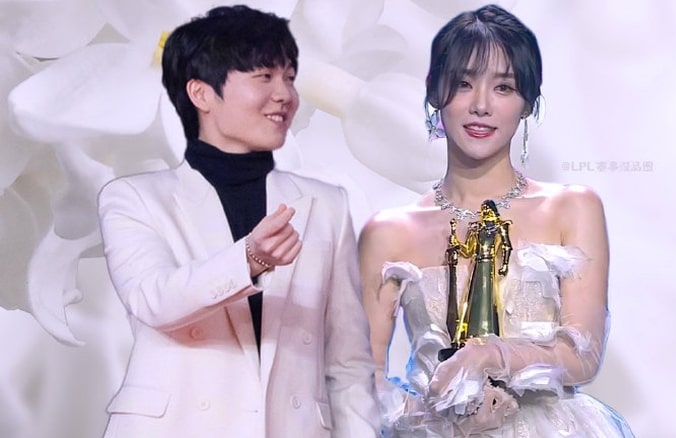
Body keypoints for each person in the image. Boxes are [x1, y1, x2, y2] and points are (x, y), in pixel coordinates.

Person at [97, 5, 380, 437]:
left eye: (289, 77)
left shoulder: (327, 204)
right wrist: (248, 259)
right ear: (201, 94)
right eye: (264, 76)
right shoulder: (134, 198)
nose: (285, 94)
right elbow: (152, 300)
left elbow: (348, 362)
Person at [359, 4, 635, 437]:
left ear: (527, 103)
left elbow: (583, 354)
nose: (481, 105)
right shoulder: (389, 232)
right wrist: (441, 420)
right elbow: (362, 377)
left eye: (504, 87)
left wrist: (492, 356)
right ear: (434, 92)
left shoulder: (571, 208)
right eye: (464, 84)